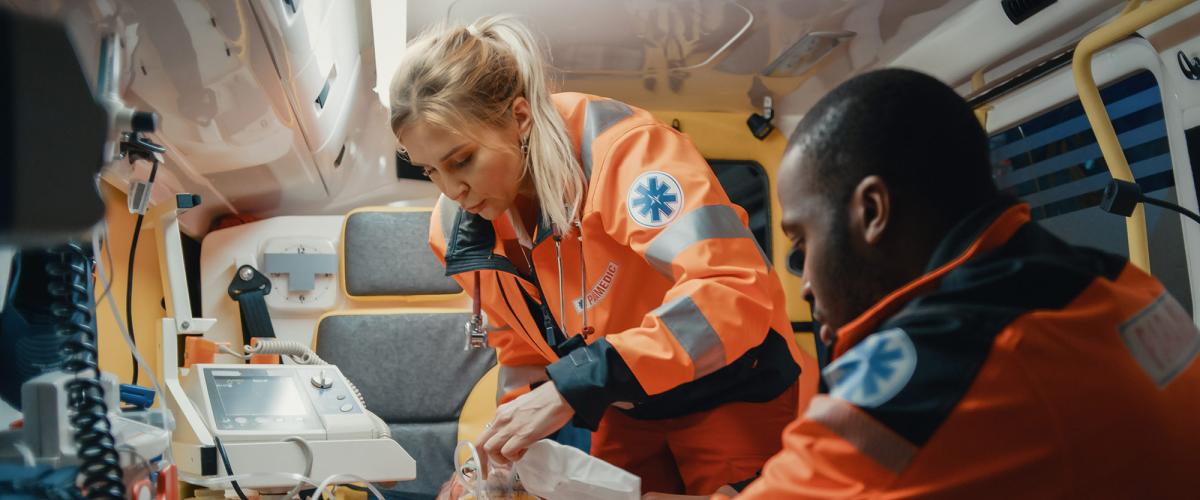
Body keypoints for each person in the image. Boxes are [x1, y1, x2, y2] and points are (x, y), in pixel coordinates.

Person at [719, 68, 1200, 498]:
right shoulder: (1121, 283)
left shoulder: (946, 365)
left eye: (803, 241)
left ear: (871, 212)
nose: (804, 283)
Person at [388, 16, 818, 495]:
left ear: (520, 117)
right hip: (627, 399)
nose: (453, 190)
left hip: (732, 387)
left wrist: (579, 384)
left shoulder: (626, 153)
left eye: (462, 159)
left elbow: (733, 291)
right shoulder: (454, 231)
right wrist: (503, 453)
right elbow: (522, 348)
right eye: (430, 171)